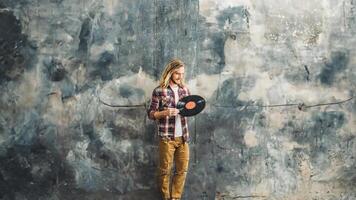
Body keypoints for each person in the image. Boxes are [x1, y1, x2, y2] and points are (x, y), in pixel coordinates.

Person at [147, 58, 191, 200]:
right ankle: (166, 198)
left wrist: (194, 107)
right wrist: (165, 113)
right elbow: (151, 114)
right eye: (177, 73)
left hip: (183, 137)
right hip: (167, 138)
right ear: (170, 73)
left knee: (181, 170)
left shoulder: (185, 90)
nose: (180, 76)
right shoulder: (159, 91)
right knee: (165, 171)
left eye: (182, 73)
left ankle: (175, 198)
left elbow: (190, 109)